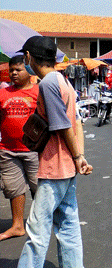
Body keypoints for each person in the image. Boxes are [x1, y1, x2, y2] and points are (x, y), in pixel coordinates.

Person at [18, 36, 93, 268]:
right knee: (68, 227)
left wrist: (78, 157)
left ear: (29, 57)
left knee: (37, 232)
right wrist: (79, 156)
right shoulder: (63, 80)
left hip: (53, 168)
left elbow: (62, 125)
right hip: (67, 167)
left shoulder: (48, 83)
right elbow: (77, 122)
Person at [0, 55, 40, 242]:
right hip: (7, 150)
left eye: (18, 69)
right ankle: (17, 226)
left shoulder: (39, 92)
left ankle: (42, 223)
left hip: (34, 150)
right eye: (11, 70)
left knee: (39, 188)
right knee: (13, 188)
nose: (14, 73)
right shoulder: (3, 93)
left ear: (29, 71)